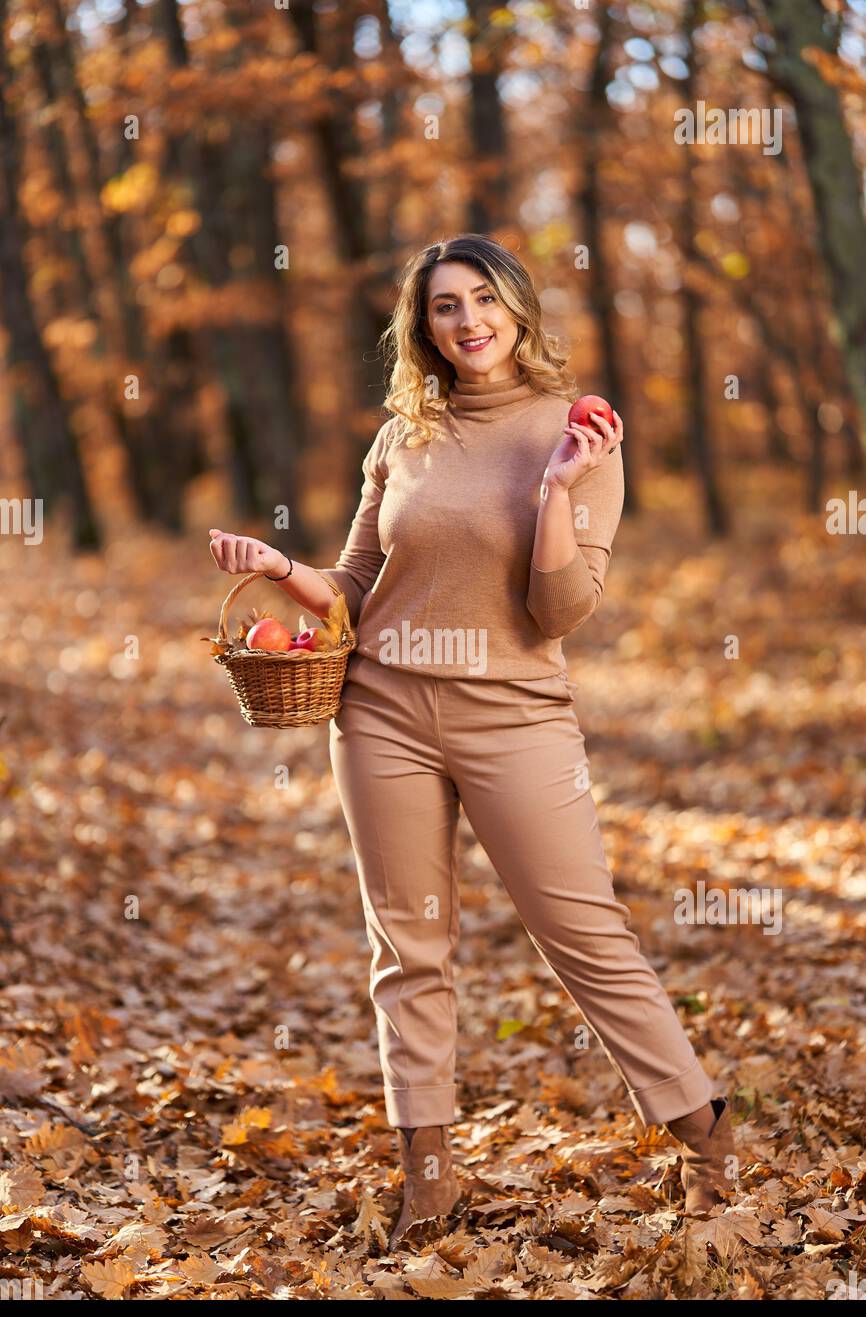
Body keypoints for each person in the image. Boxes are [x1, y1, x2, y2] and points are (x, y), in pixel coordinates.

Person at [208, 233, 739, 1249]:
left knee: (584, 935)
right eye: (444, 306)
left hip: (514, 713)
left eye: (482, 299)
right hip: (381, 713)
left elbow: (559, 608)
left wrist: (554, 487)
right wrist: (280, 567)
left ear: (516, 309)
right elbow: (354, 590)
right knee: (405, 948)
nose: (467, 321)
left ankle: (704, 1136)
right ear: (424, 328)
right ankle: (430, 1181)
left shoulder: (576, 430)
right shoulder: (400, 434)